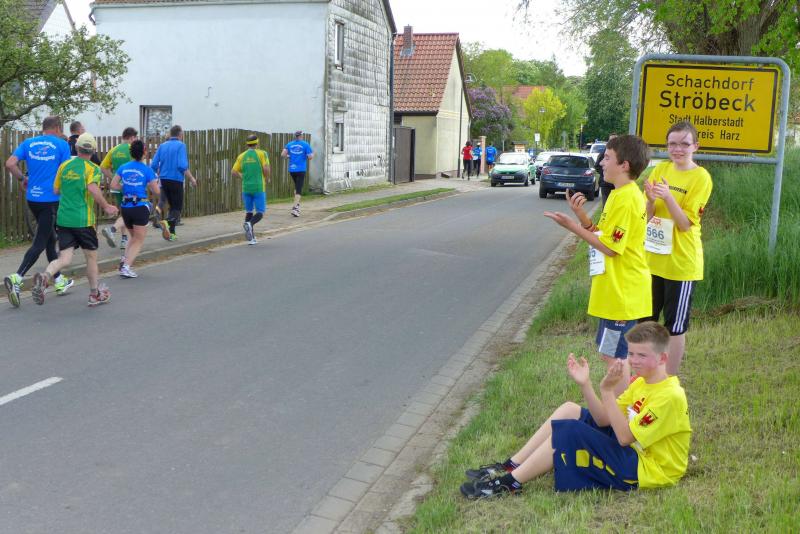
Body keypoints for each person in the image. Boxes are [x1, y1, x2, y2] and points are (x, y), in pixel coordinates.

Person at [460, 321, 691, 499]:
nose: (634, 361)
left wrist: (607, 392)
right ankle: (512, 464)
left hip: (647, 468)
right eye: (631, 353)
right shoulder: (642, 382)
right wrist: (586, 384)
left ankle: (509, 484)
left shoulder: (669, 396)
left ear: (663, 358)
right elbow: (603, 420)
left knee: (570, 431)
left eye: (642, 355)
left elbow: (623, 437)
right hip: (633, 449)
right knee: (570, 409)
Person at [544, 135, 652, 395]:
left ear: (624, 165)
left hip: (623, 293)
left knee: (615, 357)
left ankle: (623, 408)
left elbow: (611, 249)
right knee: (610, 353)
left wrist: (572, 227)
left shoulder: (627, 199)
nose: (601, 163)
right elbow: (604, 235)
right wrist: (582, 216)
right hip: (614, 291)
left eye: (607, 158)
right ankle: (624, 405)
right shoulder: (618, 195)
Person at [642, 121, 712, 375]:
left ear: (695, 146)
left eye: (684, 144)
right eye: (672, 144)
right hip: (652, 260)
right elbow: (647, 217)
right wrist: (651, 200)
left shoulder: (701, 177)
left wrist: (668, 196)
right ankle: (646, 373)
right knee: (645, 321)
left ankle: (668, 378)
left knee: (675, 326)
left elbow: (684, 224)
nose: (677, 149)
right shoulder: (660, 169)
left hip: (681, 263)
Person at [31, 133, 118, 307]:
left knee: (64, 258)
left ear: (77, 148)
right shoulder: (92, 168)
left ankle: (45, 276)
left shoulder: (64, 166)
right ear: (93, 150)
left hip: (64, 219)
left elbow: (56, 190)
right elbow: (92, 188)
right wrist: (106, 206)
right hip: (83, 220)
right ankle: (94, 294)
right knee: (91, 257)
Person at [3, 116, 74, 308]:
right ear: (57, 128)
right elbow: (66, 173)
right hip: (50, 200)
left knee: (50, 239)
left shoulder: (28, 143)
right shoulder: (62, 145)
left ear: (44, 128)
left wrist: (22, 179)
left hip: (32, 199)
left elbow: (10, 163)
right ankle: (17, 277)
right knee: (41, 242)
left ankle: (59, 280)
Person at [110, 140, 168, 278]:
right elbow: (156, 191)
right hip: (140, 207)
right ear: (144, 152)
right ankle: (126, 267)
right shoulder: (147, 170)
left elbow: (113, 185)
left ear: (131, 153)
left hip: (125, 207)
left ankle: (124, 260)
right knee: (139, 240)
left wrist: (125, 188)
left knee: (133, 237)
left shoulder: (123, 167)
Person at [150, 125, 197, 240]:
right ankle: (166, 222)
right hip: (176, 180)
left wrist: (155, 176)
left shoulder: (162, 146)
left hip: (164, 180)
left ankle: (171, 234)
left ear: (171, 134)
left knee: (171, 206)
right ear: (180, 135)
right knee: (177, 208)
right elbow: (182, 165)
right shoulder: (181, 145)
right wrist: (191, 178)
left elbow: (154, 164)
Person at [100, 127, 138, 250]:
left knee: (123, 211)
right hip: (129, 186)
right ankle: (113, 229)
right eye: (135, 138)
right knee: (129, 213)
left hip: (116, 187)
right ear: (132, 137)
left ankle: (124, 239)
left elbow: (103, 167)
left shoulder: (114, 150)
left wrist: (114, 178)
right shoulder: (132, 149)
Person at [232, 135, 271, 245]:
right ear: (257, 143)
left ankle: (251, 239)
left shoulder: (241, 156)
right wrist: (267, 177)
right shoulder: (262, 153)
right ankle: (250, 224)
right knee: (260, 212)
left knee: (249, 211)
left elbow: (233, 172)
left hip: (246, 188)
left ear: (247, 144)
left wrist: (242, 177)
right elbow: (266, 168)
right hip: (258, 187)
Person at [281, 131, 313, 217]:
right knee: (299, 189)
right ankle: (294, 208)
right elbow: (310, 157)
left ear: (295, 136)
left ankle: (297, 205)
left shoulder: (289, 144)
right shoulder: (305, 144)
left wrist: (289, 156)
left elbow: (283, 155)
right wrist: (308, 155)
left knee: (296, 186)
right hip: (301, 169)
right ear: (301, 136)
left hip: (292, 170)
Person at [594, 134, 617, 205]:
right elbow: (597, 166)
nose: (613, 142)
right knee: (606, 204)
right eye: (611, 140)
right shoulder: (604, 153)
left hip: (616, 184)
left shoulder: (620, 153)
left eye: (615, 140)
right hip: (605, 184)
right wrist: (606, 172)